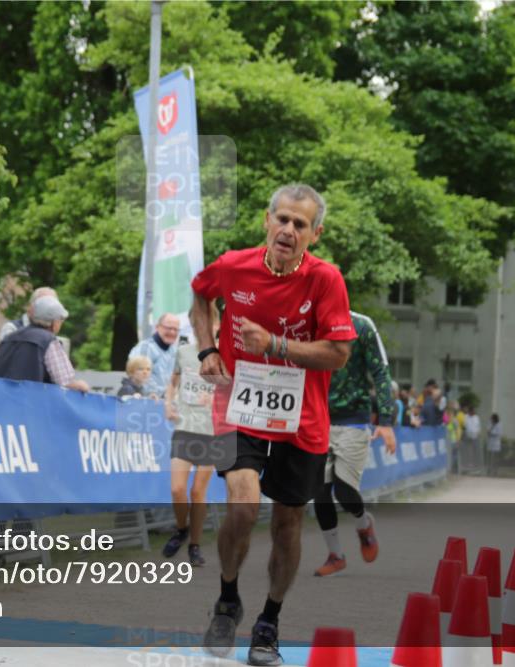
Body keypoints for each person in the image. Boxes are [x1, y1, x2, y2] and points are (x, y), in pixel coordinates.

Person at [190, 183, 355, 666]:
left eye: (299, 224)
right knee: (241, 506)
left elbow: (339, 353)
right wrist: (208, 349)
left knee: (287, 522)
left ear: (314, 234)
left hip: (302, 419)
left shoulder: (326, 280)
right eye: (281, 219)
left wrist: (277, 346)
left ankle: (268, 623)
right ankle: (227, 598)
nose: (288, 230)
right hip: (238, 406)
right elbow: (201, 298)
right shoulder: (233, 265)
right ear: (267, 221)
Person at [312, 311, 396, 577]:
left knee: (344, 489)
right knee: (320, 491)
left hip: (353, 419)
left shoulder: (361, 325)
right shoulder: (305, 321)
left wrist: (385, 420)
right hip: (316, 418)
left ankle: (363, 524)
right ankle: (335, 554)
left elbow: (381, 373)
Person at [161, 306, 219, 568]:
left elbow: (236, 389)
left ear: (216, 325)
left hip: (211, 431)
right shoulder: (183, 352)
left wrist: (217, 396)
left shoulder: (226, 354)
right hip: (185, 426)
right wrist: (168, 403)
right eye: (197, 323)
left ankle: (195, 545)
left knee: (198, 491)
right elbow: (172, 382)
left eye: (207, 323)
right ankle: (182, 529)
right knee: (177, 489)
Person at [0, 295, 90, 392]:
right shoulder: (48, 340)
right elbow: (66, 383)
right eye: (61, 320)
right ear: (54, 323)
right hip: (29, 406)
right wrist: (81, 386)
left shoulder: (8, 339)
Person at [127, 313, 181, 399]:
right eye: (169, 328)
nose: (172, 332)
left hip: (166, 403)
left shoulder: (175, 351)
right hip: (145, 402)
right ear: (157, 327)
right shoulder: (145, 348)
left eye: (176, 329)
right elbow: (140, 379)